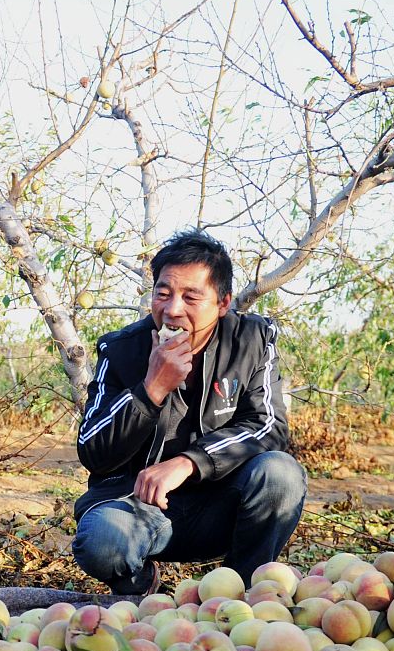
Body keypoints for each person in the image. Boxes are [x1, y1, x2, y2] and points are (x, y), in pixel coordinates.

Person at [71, 229, 305, 595]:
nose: (172, 310)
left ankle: (240, 595)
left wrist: (188, 463)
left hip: (221, 505)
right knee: (100, 539)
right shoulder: (120, 351)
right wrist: (152, 389)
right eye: (163, 294)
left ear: (223, 303)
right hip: (138, 509)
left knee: (281, 474)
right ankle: (141, 589)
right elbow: (93, 451)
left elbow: (268, 426)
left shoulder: (251, 342)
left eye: (191, 297)